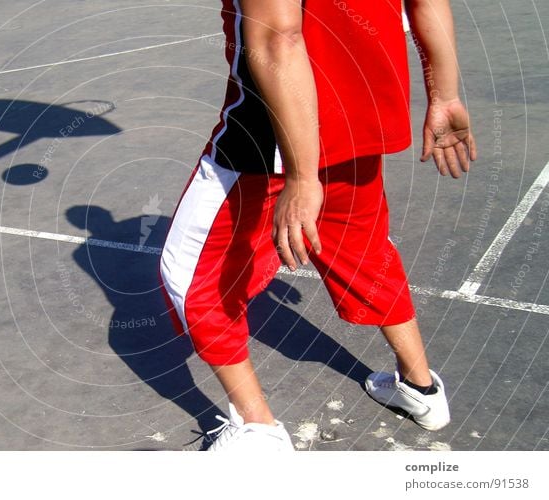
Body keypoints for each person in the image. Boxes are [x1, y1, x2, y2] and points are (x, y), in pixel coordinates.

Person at [159, 0, 477, 451]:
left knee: (193, 279)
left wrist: (302, 175)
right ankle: (420, 388)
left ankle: (257, 431)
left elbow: (278, 37)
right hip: (362, 123)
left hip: (274, 140)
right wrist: (444, 95)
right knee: (365, 252)